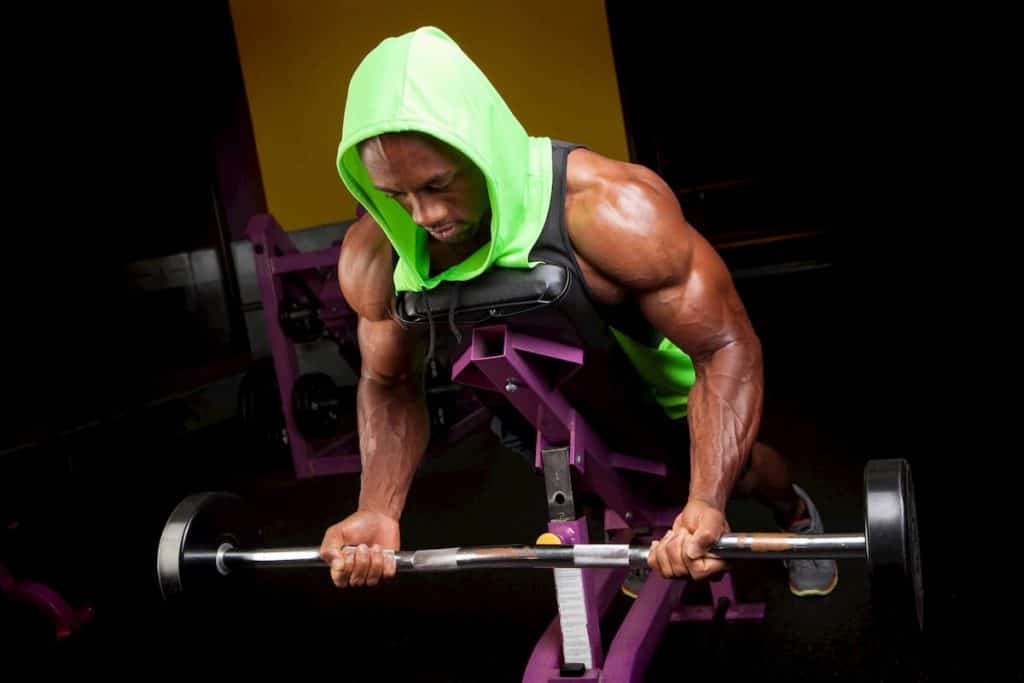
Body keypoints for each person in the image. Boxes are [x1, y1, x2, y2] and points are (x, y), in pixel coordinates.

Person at [318, 26, 837, 598]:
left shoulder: (609, 209)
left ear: (480, 145)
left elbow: (724, 346)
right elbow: (387, 383)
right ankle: (643, 534)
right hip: (542, 411)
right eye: (396, 195)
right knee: (598, 485)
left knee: (749, 473)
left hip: (659, 403)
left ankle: (796, 517)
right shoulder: (378, 256)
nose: (423, 214)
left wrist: (709, 498)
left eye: (438, 184)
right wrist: (377, 508)